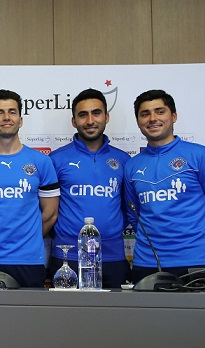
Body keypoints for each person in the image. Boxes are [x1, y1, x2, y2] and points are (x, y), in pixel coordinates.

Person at [124, 89, 205, 281]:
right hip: (146, 264)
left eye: (160, 111)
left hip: (197, 262)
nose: (152, 119)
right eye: (145, 114)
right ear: (138, 121)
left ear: (173, 116)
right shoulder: (132, 165)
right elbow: (134, 214)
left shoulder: (202, 156)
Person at [0, 89, 60, 287]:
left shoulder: (41, 162)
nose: (6, 117)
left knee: (29, 309)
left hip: (29, 260)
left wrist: (26, 239)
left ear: (20, 120)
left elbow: (50, 214)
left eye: (12, 112)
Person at [49, 88, 131, 288]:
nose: (90, 120)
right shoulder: (56, 159)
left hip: (113, 257)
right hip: (67, 257)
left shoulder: (123, 160)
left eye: (96, 113)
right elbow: (47, 209)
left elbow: (128, 208)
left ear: (106, 117)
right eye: (83, 115)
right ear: (74, 121)